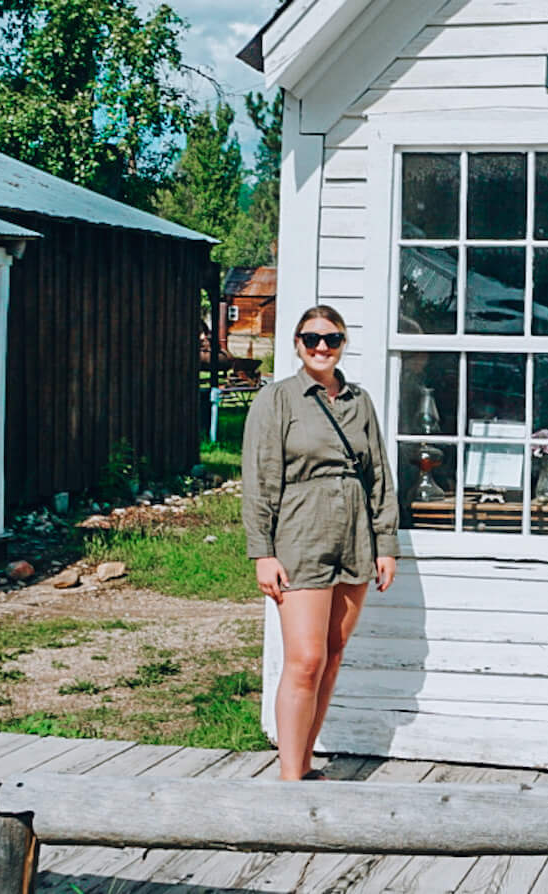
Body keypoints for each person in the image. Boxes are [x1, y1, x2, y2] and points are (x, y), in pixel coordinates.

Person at [242, 305, 398, 780]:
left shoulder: (359, 401)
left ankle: (304, 763)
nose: (322, 348)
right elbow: (259, 478)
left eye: (331, 339)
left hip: (354, 536)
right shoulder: (278, 400)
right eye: (311, 339)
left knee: (331, 654)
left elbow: (378, 477)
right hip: (300, 533)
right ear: (297, 344)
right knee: (305, 658)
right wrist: (263, 552)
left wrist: (384, 543)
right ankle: (291, 780)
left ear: (343, 343)